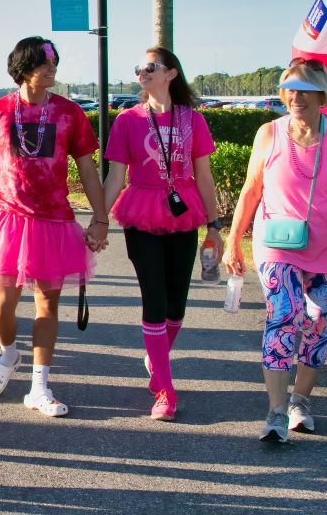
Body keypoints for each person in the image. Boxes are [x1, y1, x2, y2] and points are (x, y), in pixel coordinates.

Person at [0, 37, 108, 417]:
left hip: (55, 221)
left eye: (54, 61)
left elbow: (88, 169)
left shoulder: (69, 113)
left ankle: (39, 386)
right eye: (44, 62)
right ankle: (9, 355)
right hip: (10, 221)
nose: (52, 68)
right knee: (3, 306)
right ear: (23, 66)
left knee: (48, 304)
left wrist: (100, 218)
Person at [103, 48, 221, 421]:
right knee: (154, 299)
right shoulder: (127, 120)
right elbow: (114, 178)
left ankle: (157, 358)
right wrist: (98, 220)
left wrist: (215, 226)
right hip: (141, 212)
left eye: (150, 67)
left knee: (176, 305)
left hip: (183, 214)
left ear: (170, 74)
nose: (142, 72)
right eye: (138, 67)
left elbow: (204, 176)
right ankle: (165, 391)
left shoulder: (193, 120)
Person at [224, 59, 327, 443]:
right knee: (286, 313)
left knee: (320, 320)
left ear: (322, 94)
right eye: (289, 88)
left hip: (325, 247)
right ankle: (276, 411)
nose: (295, 96)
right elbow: (252, 189)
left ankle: (300, 400)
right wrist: (234, 239)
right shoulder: (269, 133)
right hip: (276, 244)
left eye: (304, 88)